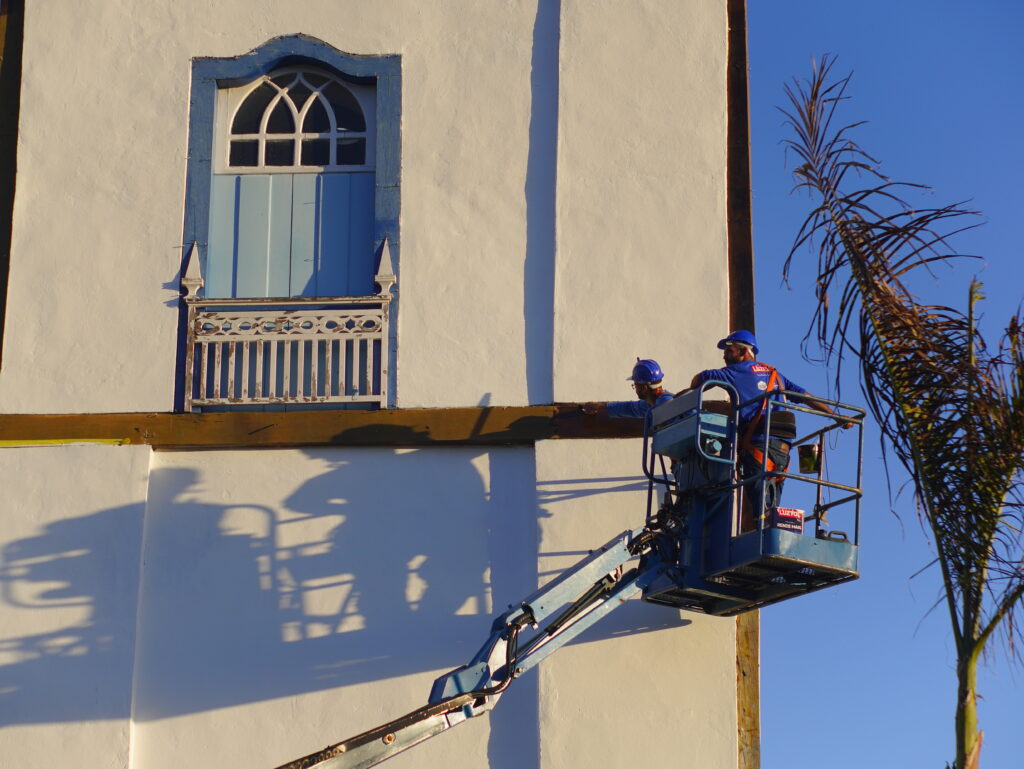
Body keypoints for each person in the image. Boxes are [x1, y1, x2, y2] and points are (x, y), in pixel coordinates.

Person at [689, 330, 850, 527]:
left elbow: (700, 379)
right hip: (783, 449)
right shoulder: (775, 374)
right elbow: (805, 397)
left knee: (759, 509)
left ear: (742, 352)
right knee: (770, 506)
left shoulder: (733, 372)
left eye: (728, 350)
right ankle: (770, 534)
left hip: (758, 445)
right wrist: (837, 416)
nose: (724, 355)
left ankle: (762, 537)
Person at [580, 358, 674, 421]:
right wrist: (601, 406)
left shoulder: (665, 403)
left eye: (635, 385)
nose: (634, 388)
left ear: (644, 388)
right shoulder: (651, 405)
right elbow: (629, 408)